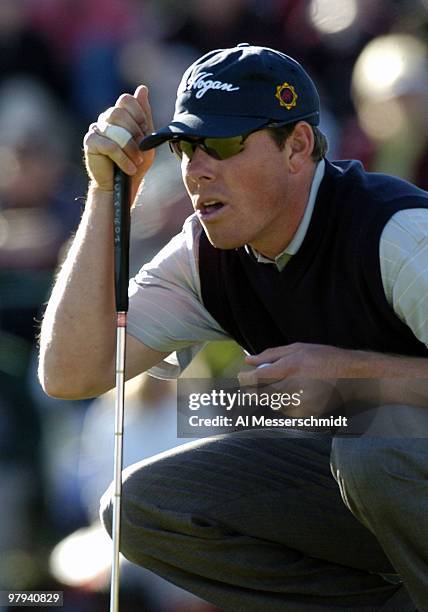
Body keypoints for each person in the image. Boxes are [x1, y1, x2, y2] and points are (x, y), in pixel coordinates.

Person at [38, 44, 428, 611]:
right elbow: (72, 372)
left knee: (373, 446)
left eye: (221, 144)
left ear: (296, 147)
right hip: (380, 494)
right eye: (185, 147)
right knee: (141, 506)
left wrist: (352, 375)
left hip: (387, 473)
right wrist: (107, 194)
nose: (196, 169)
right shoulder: (203, 255)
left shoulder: (399, 234)